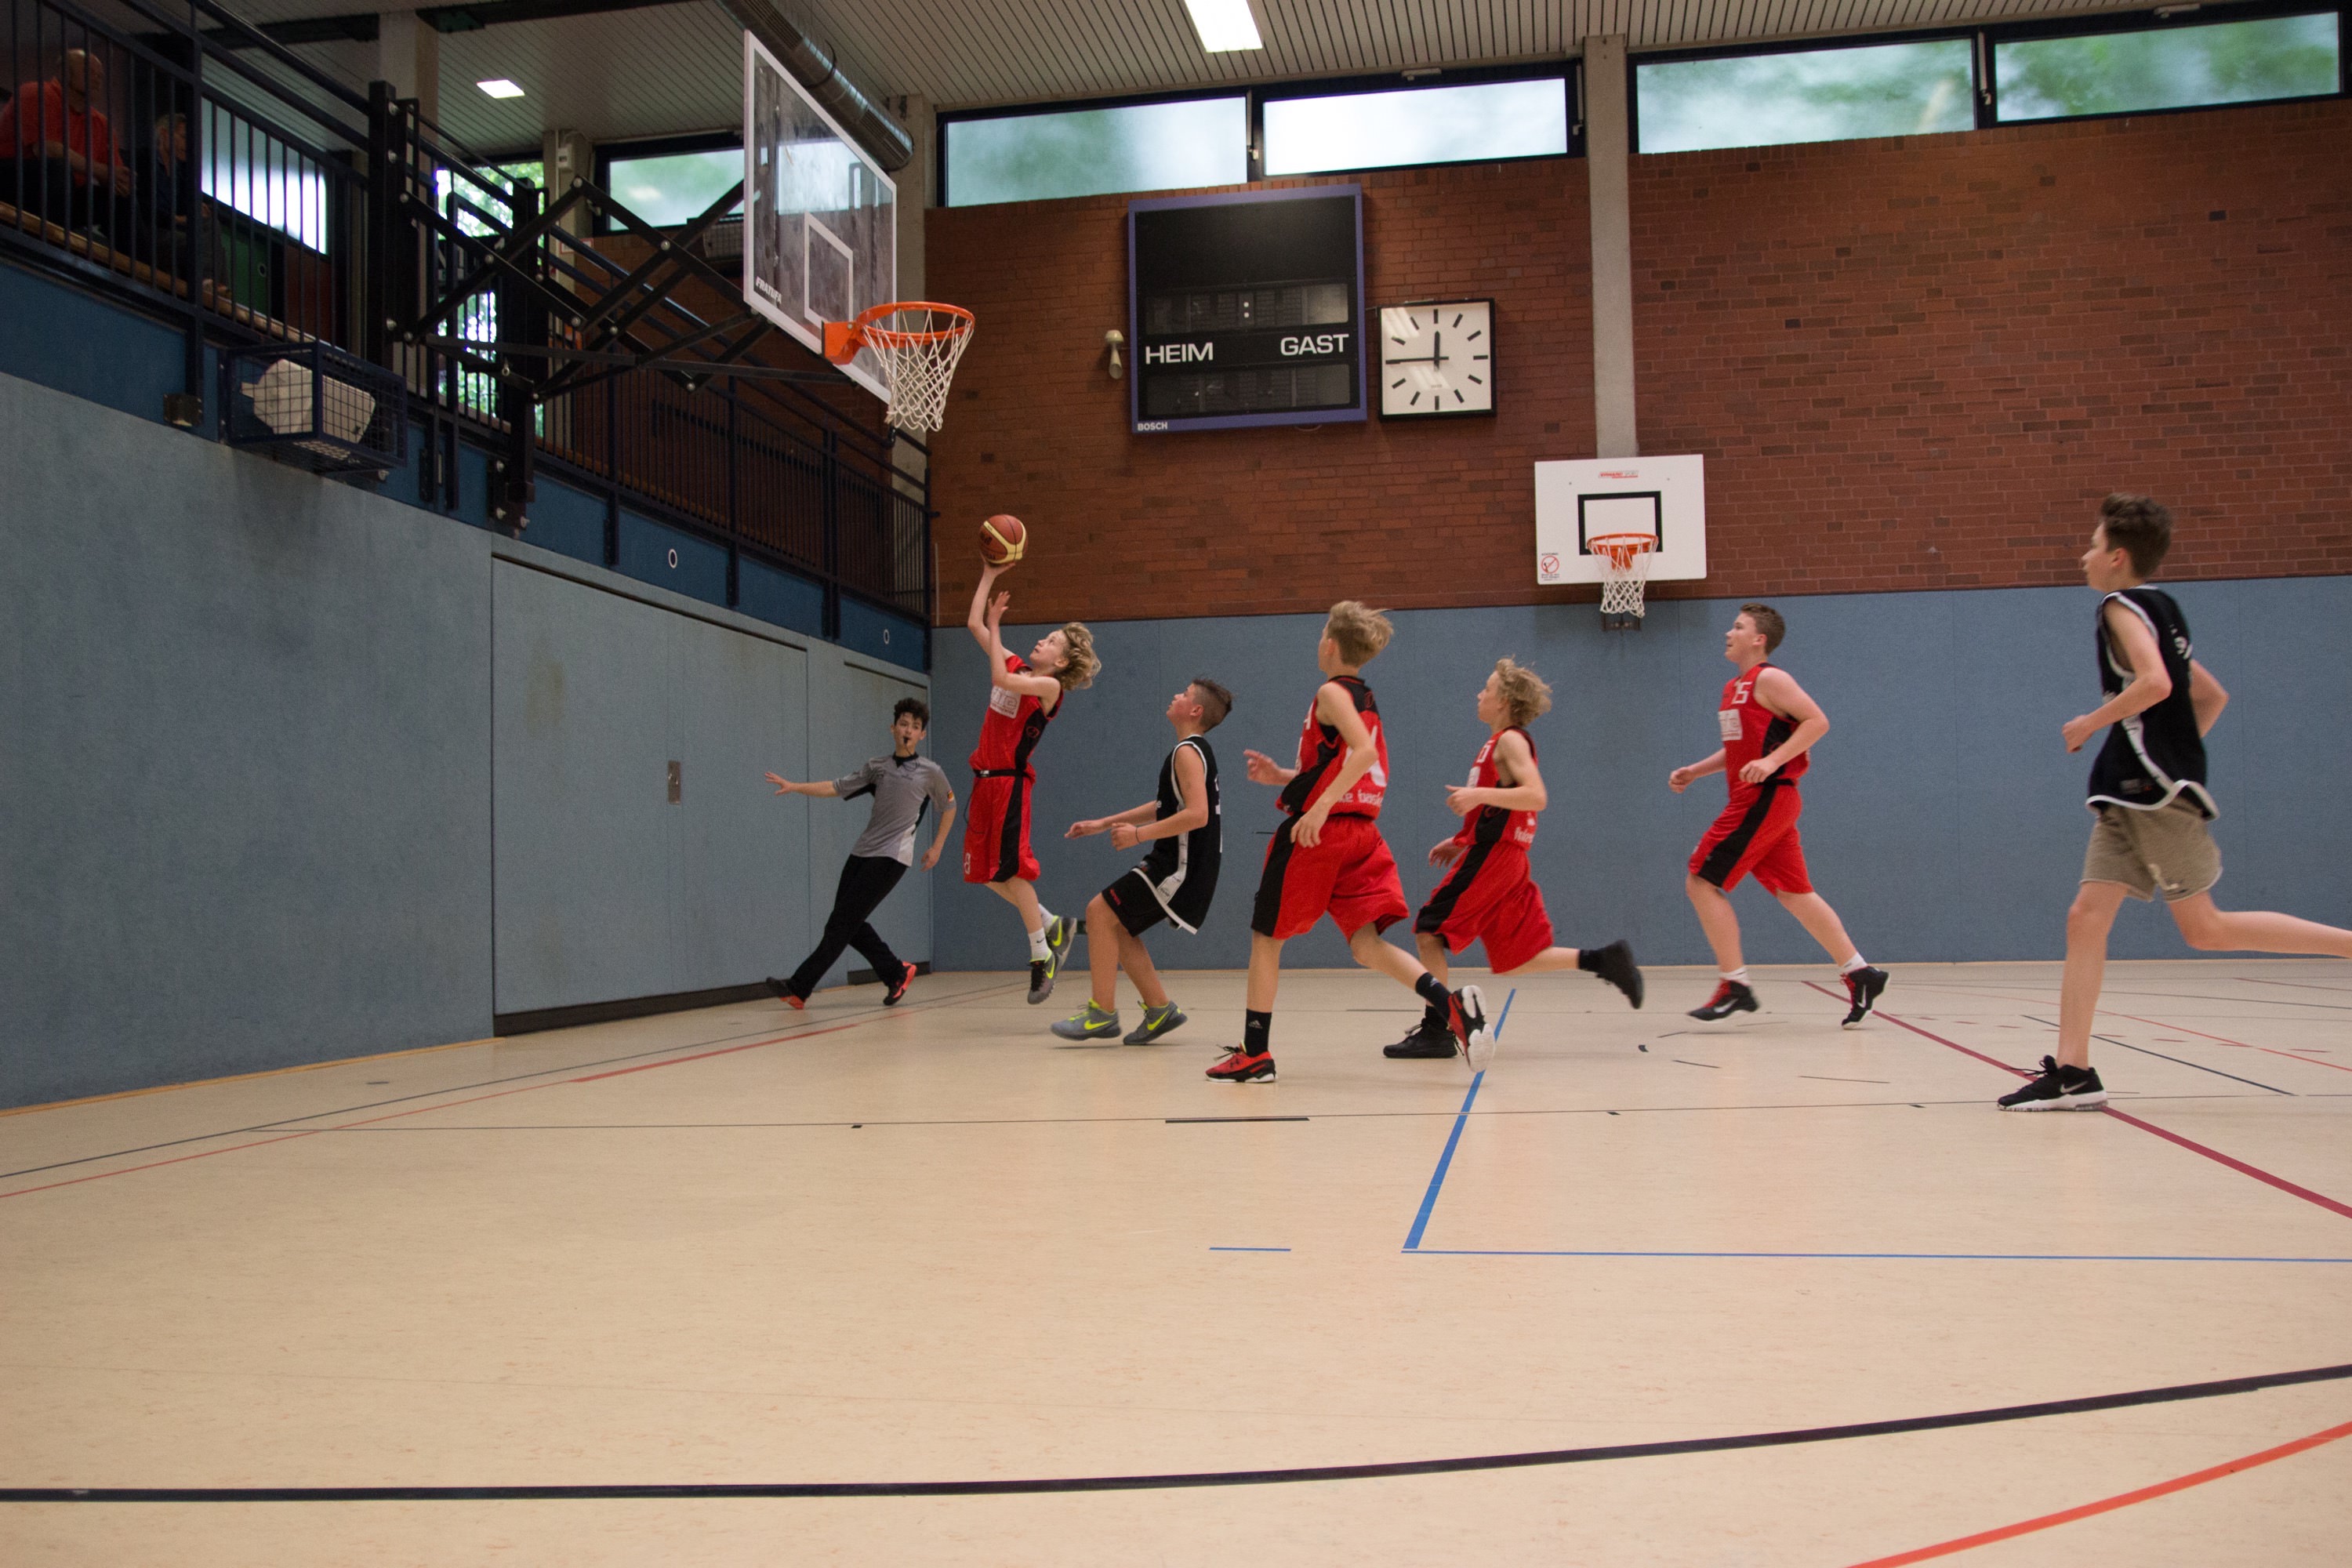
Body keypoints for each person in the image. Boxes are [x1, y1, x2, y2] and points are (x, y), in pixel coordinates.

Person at [2001, 495, 2352, 1109]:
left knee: (2205, 929)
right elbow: (2209, 695)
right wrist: (2172, 756)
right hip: (2129, 793)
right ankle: (2075, 1071)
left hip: (2149, 793)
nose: (2083, 556)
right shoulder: (2163, 609)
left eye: (2092, 545)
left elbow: (2158, 683)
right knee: (2086, 917)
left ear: (2117, 557)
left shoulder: (2118, 607)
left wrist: (2091, 724)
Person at [1209, 601, 1492, 1083]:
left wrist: (1318, 807)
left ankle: (1255, 1053)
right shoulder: (1364, 697)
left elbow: (1361, 753)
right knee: (1366, 945)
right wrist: (1285, 776)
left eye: (1323, 633)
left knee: (1266, 939)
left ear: (1331, 645)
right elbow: (1342, 762)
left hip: (1322, 833)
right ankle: (1453, 1009)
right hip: (1361, 834)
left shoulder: (1331, 692)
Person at [1390, 659, 1644, 1062]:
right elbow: (1500, 811)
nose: (1479, 694)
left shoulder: (1510, 741)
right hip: (1504, 857)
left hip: (1496, 860)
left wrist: (1477, 796)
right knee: (1517, 956)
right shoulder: (1499, 743)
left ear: (1504, 701)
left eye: (1487, 689)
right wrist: (1462, 839)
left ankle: (1437, 1030)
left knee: (1428, 931)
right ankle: (1602, 960)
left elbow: (1536, 796)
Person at [1669, 603, 1889, 1026]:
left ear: (1759, 639)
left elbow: (1817, 722)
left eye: (1738, 627)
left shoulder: (1771, 679)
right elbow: (1740, 750)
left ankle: (1735, 984)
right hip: (1764, 800)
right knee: (1794, 893)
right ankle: (1860, 972)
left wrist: (1772, 762)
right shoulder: (1733, 687)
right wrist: (1696, 771)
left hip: (1764, 797)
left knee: (1701, 881)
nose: (1728, 633)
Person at [1053, 678, 1233, 1044]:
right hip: (1180, 862)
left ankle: (1102, 1013)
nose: (1176, 695)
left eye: (1184, 694)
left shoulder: (1187, 752)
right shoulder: (1191, 750)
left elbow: (1197, 815)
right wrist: (1104, 823)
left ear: (1195, 710)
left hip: (1180, 866)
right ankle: (1159, 1009)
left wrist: (1137, 835)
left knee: (1099, 912)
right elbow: (1165, 806)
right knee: (1118, 925)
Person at [962, 557, 1099, 1004]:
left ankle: (1042, 956)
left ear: (1060, 661)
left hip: (1009, 785)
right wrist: (989, 574)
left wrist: (997, 625)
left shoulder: (1049, 689)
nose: (1042, 640)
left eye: (1052, 640)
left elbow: (998, 675)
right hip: (983, 783)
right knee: (985, 875)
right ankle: (1053, 923)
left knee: (1012, 871)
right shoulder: (1019, 667)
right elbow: (972, 624)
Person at [761, 697, 956, 1010]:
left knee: (841, 924)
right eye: (904, 724)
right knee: (846, 922)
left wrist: (937, 847)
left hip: (892, 857)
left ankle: (798, 988)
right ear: (893, 728)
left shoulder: (931, 772)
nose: (908, 730)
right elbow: (836, 787)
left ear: (922, 734)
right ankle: (896, 971)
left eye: (915, 727)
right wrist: (795, 786)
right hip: (861, 852)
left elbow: (949, 806)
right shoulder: (877, 767)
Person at [0, 49, 132, 238]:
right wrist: (105, 172)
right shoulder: (37, 93)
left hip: (62, 192)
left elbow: (113, 176)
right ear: (64, 72)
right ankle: (50, 243)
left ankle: (137, 259)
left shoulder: (100, 123)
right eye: (88, 71)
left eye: (100, 76)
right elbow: (48, 150)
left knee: (119, 199)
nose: (96, 79)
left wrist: (121, 182)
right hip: (15, 180)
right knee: (58, 169)